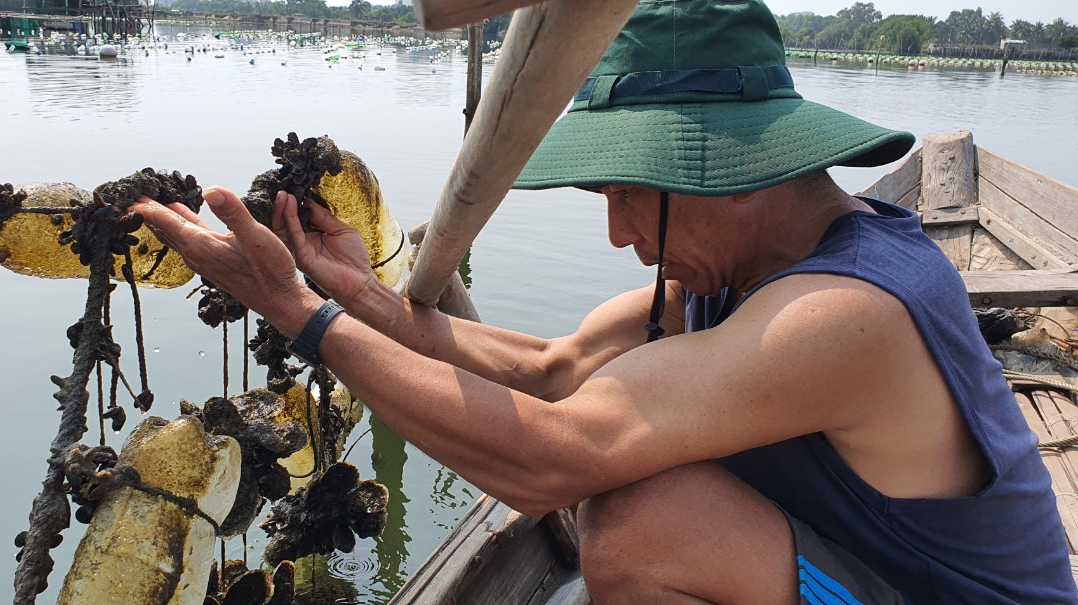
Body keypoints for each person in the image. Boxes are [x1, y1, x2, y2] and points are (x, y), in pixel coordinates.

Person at [134, 1, 1076, 602]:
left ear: (730, 168)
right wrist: (356, 294)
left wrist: (302, 317)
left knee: (637, 517)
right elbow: (549, 370)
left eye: (630, 192)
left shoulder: (844, 314)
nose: (621, 235)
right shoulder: (729, 282)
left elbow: (557, 458)